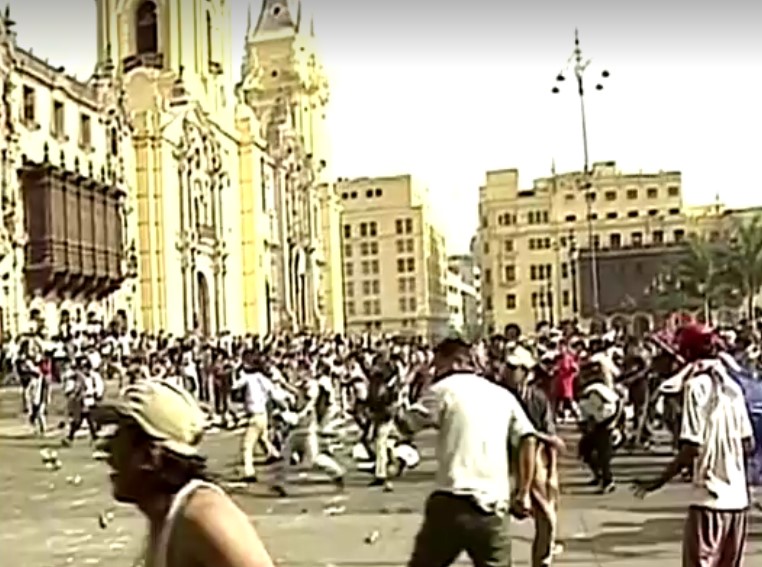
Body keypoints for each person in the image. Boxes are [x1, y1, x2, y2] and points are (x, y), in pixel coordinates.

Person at [94, 380, 275, 567]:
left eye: (119, 436)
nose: (106, 448)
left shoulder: (204, 516)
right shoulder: (168, 518)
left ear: (151, 455)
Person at [399, 337, 537, 566]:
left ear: (454, 362)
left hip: (451, 501)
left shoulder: (443, 389)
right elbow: (528, 438)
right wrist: (523, 492)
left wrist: (420, 386)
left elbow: (407, 423)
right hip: (492, 506)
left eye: (438, 364)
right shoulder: (502, 395)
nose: (436, 370)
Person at [634, 323, 754, 566]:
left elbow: (692, 447)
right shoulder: (733, 387)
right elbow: (748, 443)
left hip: (708, 499)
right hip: (738, 502)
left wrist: (656, 482)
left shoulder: (695, 387)